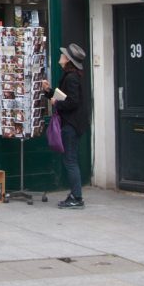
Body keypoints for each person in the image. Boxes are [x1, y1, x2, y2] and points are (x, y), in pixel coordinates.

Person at [40, 43, 89, 209]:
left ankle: (77, 196)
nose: (61, 56)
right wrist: (48, 91)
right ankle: (75, 194)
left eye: (63, 55)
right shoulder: (69, 76)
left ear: (68, 59)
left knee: (70, 161)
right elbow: (64, 97)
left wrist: (56, 103)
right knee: (70, 159)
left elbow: (72, 102)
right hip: (71, 123)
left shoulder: (72, 77)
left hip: (71, 124)